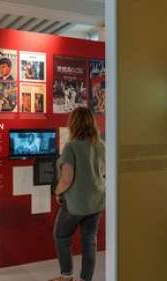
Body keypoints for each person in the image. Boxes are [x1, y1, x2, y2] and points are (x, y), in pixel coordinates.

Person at [50, 107, 105, 281]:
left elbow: (67, 179)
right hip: (96, 201)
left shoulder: (70, 147)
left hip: (74, 204)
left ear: (73, 123)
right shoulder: (101, 145)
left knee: (61, 236)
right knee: (89, 241)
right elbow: (102, 172)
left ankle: (66, 276)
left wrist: (57, 192)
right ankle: (85, 279)